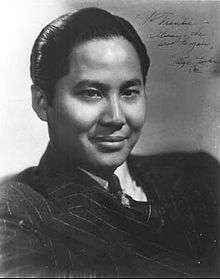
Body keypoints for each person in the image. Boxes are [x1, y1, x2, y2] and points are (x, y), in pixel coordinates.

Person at [0, 7, 218, 277]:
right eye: (91, 93)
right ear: (43, 103)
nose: (116, 117)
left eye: (129, 92)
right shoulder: (16, 212)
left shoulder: (200, 174)